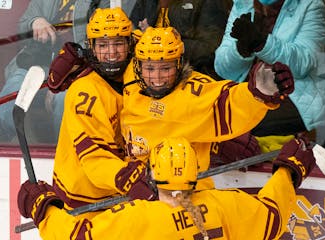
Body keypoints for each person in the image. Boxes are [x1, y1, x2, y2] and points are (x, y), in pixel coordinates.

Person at [17, 136, 317, 239]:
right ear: (195, 174)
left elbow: (73, 236)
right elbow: (273, 216)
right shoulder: (225, 205)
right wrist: (289, 172)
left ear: (152, 175)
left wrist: (44, 208)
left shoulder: (133, 218)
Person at [120, 26, 295, 190]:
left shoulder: (192, 95)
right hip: (136, 188)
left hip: (182, 193)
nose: (156, 77)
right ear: (138, 65)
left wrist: (259, 92)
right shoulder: (132, 78)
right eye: (150, 68)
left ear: (179, 64)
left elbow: (228, 101)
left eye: (166, 68)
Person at [48, 8, 155, 219]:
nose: (112, 53)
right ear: (92, 48)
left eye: (118, 44)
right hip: (84, 199)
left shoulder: (139, 68)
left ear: (130, 44)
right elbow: (96, 159)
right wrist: (130, 178)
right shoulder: (85, 93)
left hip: (122, 191)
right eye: (103, 45)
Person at [0, 0, 135, 143]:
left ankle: (64, 149)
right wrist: (35, 21)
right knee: (17, 82)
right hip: (42, 64)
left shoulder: (106, 3)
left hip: (81, 70)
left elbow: (105, 51)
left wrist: (61, 78)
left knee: (65, 98)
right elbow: (24, 23)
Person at [214, 0, 325, 152]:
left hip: (295, 97)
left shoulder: (311, 5)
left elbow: (304, 63)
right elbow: (222, 67)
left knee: (237, 124)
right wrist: (241, 50)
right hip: (249, 93)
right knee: (211, 117)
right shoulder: (243, 4)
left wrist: (262, 44)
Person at [129, 0, 232, 80]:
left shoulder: (210, 2)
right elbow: (129, 38)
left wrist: (167, 44)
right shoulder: (146, 2)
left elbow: (212, 49)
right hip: (146, 76)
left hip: (191, 76)